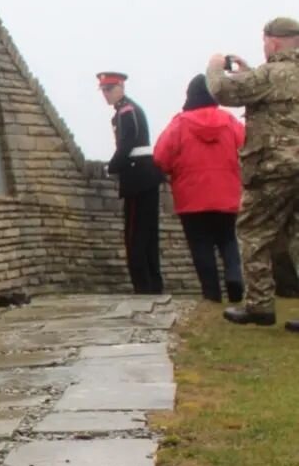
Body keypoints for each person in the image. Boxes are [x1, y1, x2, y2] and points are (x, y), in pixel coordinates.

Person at [207, 16, 299, 328]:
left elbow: (222, 92)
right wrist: (251, 74)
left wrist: (216, 66)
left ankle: (260, 305)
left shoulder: (270, 74)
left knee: (253, 232)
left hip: (273, 168)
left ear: (272, 41)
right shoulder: (272, 76)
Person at [153, 75, 245, 302]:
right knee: (228, 239)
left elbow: (160, 157)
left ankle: (211, 292)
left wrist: (175, 169)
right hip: (226, 193)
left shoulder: (179, 124)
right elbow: (247, 145)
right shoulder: (229, 121)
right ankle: (234, 277)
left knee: (200, 244)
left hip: (191, 197)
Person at [99, 71, 164, 293]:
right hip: (146, 176)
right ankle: (153, 284)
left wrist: (111, 167)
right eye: (104, 91)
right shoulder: (128, 110)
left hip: (137, 178)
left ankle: (143, 285)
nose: (106, 95)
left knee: (136, 233)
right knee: (147, 233)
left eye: (109, 89)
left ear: (121, 88)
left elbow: (126, 145)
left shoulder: (127, 112)